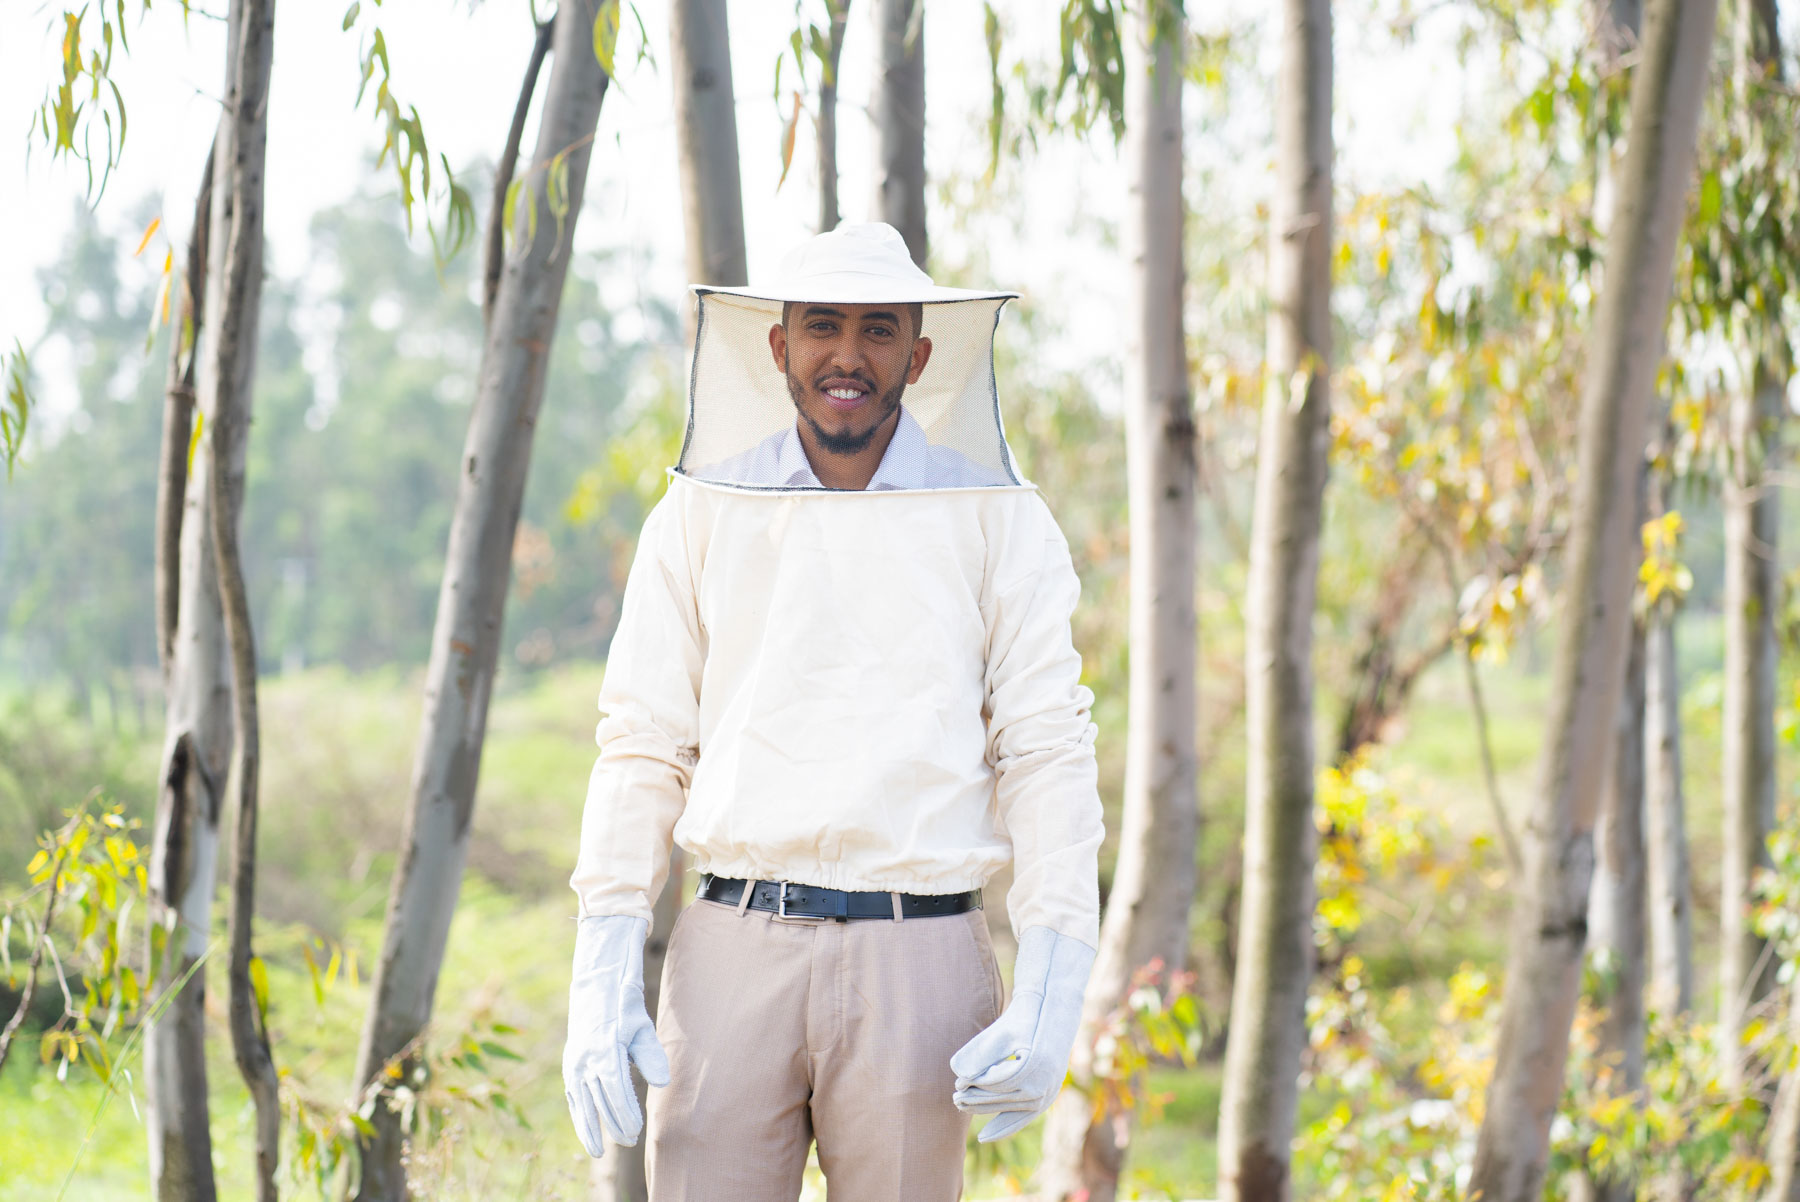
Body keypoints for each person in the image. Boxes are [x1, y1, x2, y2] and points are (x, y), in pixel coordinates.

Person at [563, 222, 1104, 1201]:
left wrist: (1054, 974)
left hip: (920, 952)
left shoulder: (996, 511)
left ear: (919, 355)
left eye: (877, 329)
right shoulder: (700, 508)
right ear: (779, 346)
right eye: (822, 326)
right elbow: (643, 741)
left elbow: (1046, 748)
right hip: (732, 945)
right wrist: (602, 953)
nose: (847, 354)